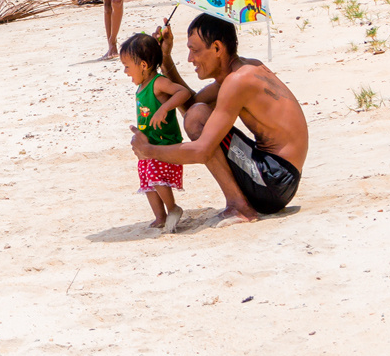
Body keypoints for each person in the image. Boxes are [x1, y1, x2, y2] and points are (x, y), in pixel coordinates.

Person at [130, 13, 307, 223]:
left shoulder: (238, 81)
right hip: (279, 177)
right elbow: (193, 105)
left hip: (274, 181)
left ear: (217, 48)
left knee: (197, 118)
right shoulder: (243, 70)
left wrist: (149, 151)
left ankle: (239, 207)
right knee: (198, 114)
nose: (190, 59)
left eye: (194, 51)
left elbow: (201, 149)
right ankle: (239, 203)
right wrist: (165, 59)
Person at [119, 32, 192, 233]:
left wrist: (164, 108)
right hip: (149, 143)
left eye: (127, 66)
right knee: (147, 180)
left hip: (163, 144)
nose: (125, 71)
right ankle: (160, 216)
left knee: (156, 176)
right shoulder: (141, 86)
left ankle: (173, 208)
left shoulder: (158, 83)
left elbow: (183, 92)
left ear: (143, 65)